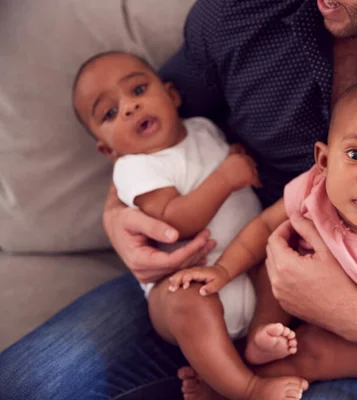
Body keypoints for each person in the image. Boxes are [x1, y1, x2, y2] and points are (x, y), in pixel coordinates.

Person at [0, 0, 357, 399]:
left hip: (356, 337)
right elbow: (150, 123)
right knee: (25, 385)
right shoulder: (247, 11)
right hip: (215, 271)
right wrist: (118, 213)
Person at [169, 79, 357, 400]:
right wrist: (222, 271)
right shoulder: (314, 186)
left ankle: (236, 384)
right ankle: (261, 338)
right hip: (293, 290)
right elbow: (263, 226)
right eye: (356, 154)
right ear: (324, 161)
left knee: (322, 353)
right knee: (272, 265)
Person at [71, 51, 309, 399]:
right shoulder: (135, 167)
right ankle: (247, 386)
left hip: (246, 265)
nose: (129, 107)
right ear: (107, 150)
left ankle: (256, 345)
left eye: (138, 90)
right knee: (189, 303)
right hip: (184, 283)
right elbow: (173, 220)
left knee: (281, 261)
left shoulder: (203, 128)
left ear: (172, 95)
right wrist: (226, 178)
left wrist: (235, 156)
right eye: (109, 112)